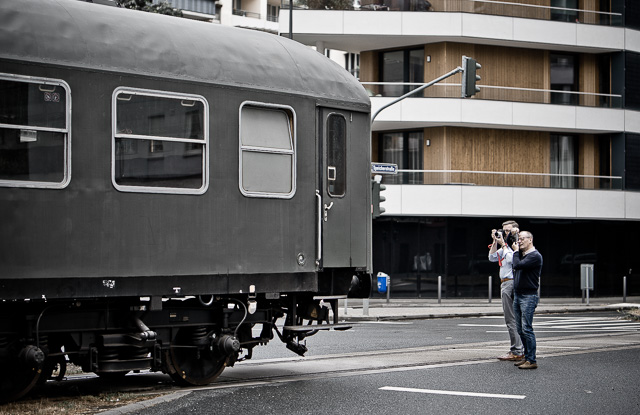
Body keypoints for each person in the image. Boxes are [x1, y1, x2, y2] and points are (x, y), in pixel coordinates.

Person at [488, 220, 523, 361]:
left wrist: (503, 244)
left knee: (511, 319)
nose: (505, 233)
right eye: (503, 230)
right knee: (515, 319)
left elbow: (512, 260)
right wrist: (496, 242)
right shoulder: (506, 246)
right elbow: (491, 257)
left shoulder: (518, 246)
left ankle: (517, 351)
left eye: (508, 230)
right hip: (506, 283)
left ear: (516, 231)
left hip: (511, 283)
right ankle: (520, 349)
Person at [512, 231, 543, 370]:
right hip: (518, 295)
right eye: (519, 239)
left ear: (530, 239)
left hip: (528, 296)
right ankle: (526, 356)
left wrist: (516, 252)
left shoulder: (535, 256)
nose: (519, 241)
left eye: (522, 239)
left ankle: (532, 360)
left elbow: (517, 265)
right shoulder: (524, 256)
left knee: (527, 328)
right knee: (519, 328)